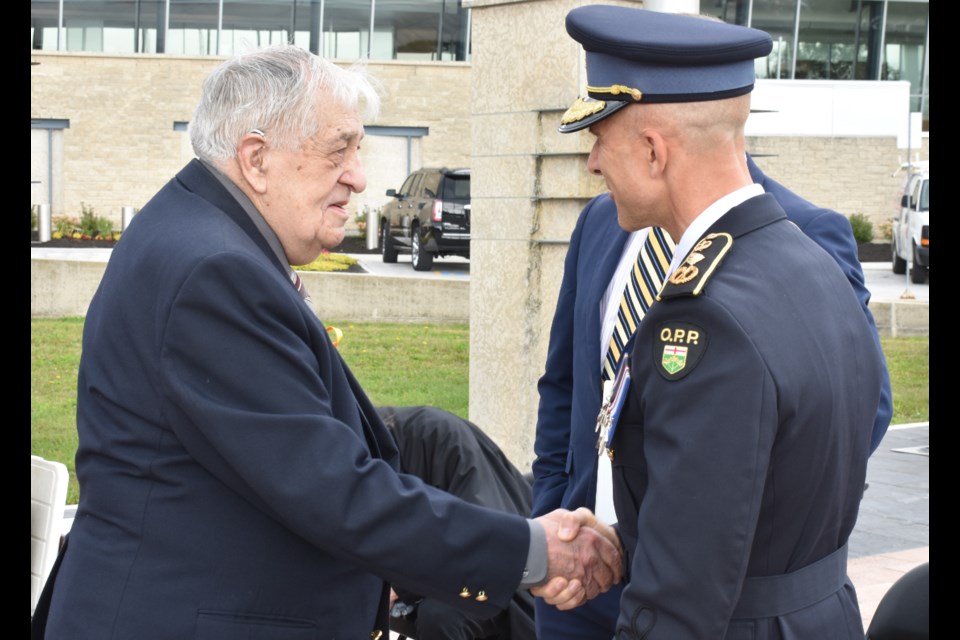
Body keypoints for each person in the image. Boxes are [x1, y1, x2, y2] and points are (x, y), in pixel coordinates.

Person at [34, 44, 624, 639]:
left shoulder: (198, 233)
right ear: (256, 158)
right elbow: (332, 489)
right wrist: (532, 551)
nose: (359, 176)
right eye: (337, 150)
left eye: (358, 150)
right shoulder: (215, 271)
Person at [531, 11, 893, 640]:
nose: (592, 163)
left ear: (651, 150)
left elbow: (681, 601)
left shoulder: (706, 317)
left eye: (600, 141)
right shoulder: (801, 263)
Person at [378, 405, 535, 640]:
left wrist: (397, 586)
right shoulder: (366, 457)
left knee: (440, 617)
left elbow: (486, 545)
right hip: (437, 583)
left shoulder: (439, 439)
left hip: (502, 585)